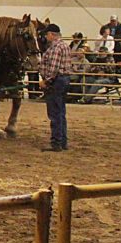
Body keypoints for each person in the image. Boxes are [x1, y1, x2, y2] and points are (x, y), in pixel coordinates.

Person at [39, 23, 72, 151]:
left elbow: (53, 69)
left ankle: (56, 142)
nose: (46, 37)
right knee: (61, 112)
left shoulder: (55, 48)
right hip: (64, 80)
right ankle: (62, 141)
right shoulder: (65, 46)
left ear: (52, 34)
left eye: (47, 34)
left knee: (54, 113)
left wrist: (45, 82)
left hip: (56, 82)